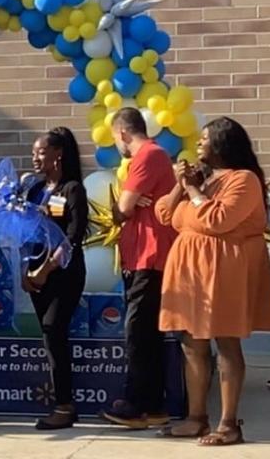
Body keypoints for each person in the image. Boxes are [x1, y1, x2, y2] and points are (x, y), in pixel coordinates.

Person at [154, 117, 270, 445]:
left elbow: (218, 220)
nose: (198, 144)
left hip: (224, 270)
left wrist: (194, 189)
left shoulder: (244, 180)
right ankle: (196, 418)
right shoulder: (205, 180)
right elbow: (165, 214)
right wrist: (182, 184)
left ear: (223, 144)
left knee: (225, 342)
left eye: (205, 139)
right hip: (191, 271)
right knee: (191, 342)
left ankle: (228, 424)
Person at [101, 107, 178, 429]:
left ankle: (135, 405)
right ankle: (155, 405)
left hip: (149, 257)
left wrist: (125, 205)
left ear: (122, 133)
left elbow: (121, 210)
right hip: (142, 255)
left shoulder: (147, 155)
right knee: (147, 333)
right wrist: (129, 204)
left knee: (138, 333)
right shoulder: (154, 156)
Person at [19, 127, 89, 430]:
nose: (35, 158)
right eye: (34, 152)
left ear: (58, 155)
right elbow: (24, 232)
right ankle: (63, 403)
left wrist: (47, 269)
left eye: (41, 152)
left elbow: (73, 236)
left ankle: (64, 405)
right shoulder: (35, 189)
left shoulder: (73, 189)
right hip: (36, 275)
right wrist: (26, 270)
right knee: (50, 338)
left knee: (53, 328)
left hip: (64, 274)